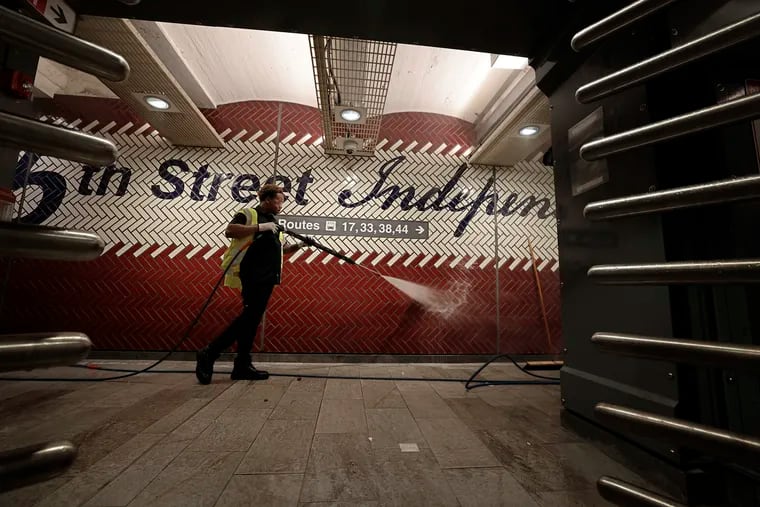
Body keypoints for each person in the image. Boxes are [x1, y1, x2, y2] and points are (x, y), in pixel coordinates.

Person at [195, 183, 309, 384]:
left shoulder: (274, 222)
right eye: (278, 201)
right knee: (249, 317)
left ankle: (241, 365)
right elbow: (230, 231)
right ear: (267, 199)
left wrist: (300, 245)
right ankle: (210, 352)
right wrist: (259, 227)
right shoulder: (249, 213)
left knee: (252, 319)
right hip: (251, 274)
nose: (281, 205)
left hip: (268, 277)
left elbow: (281, 249)